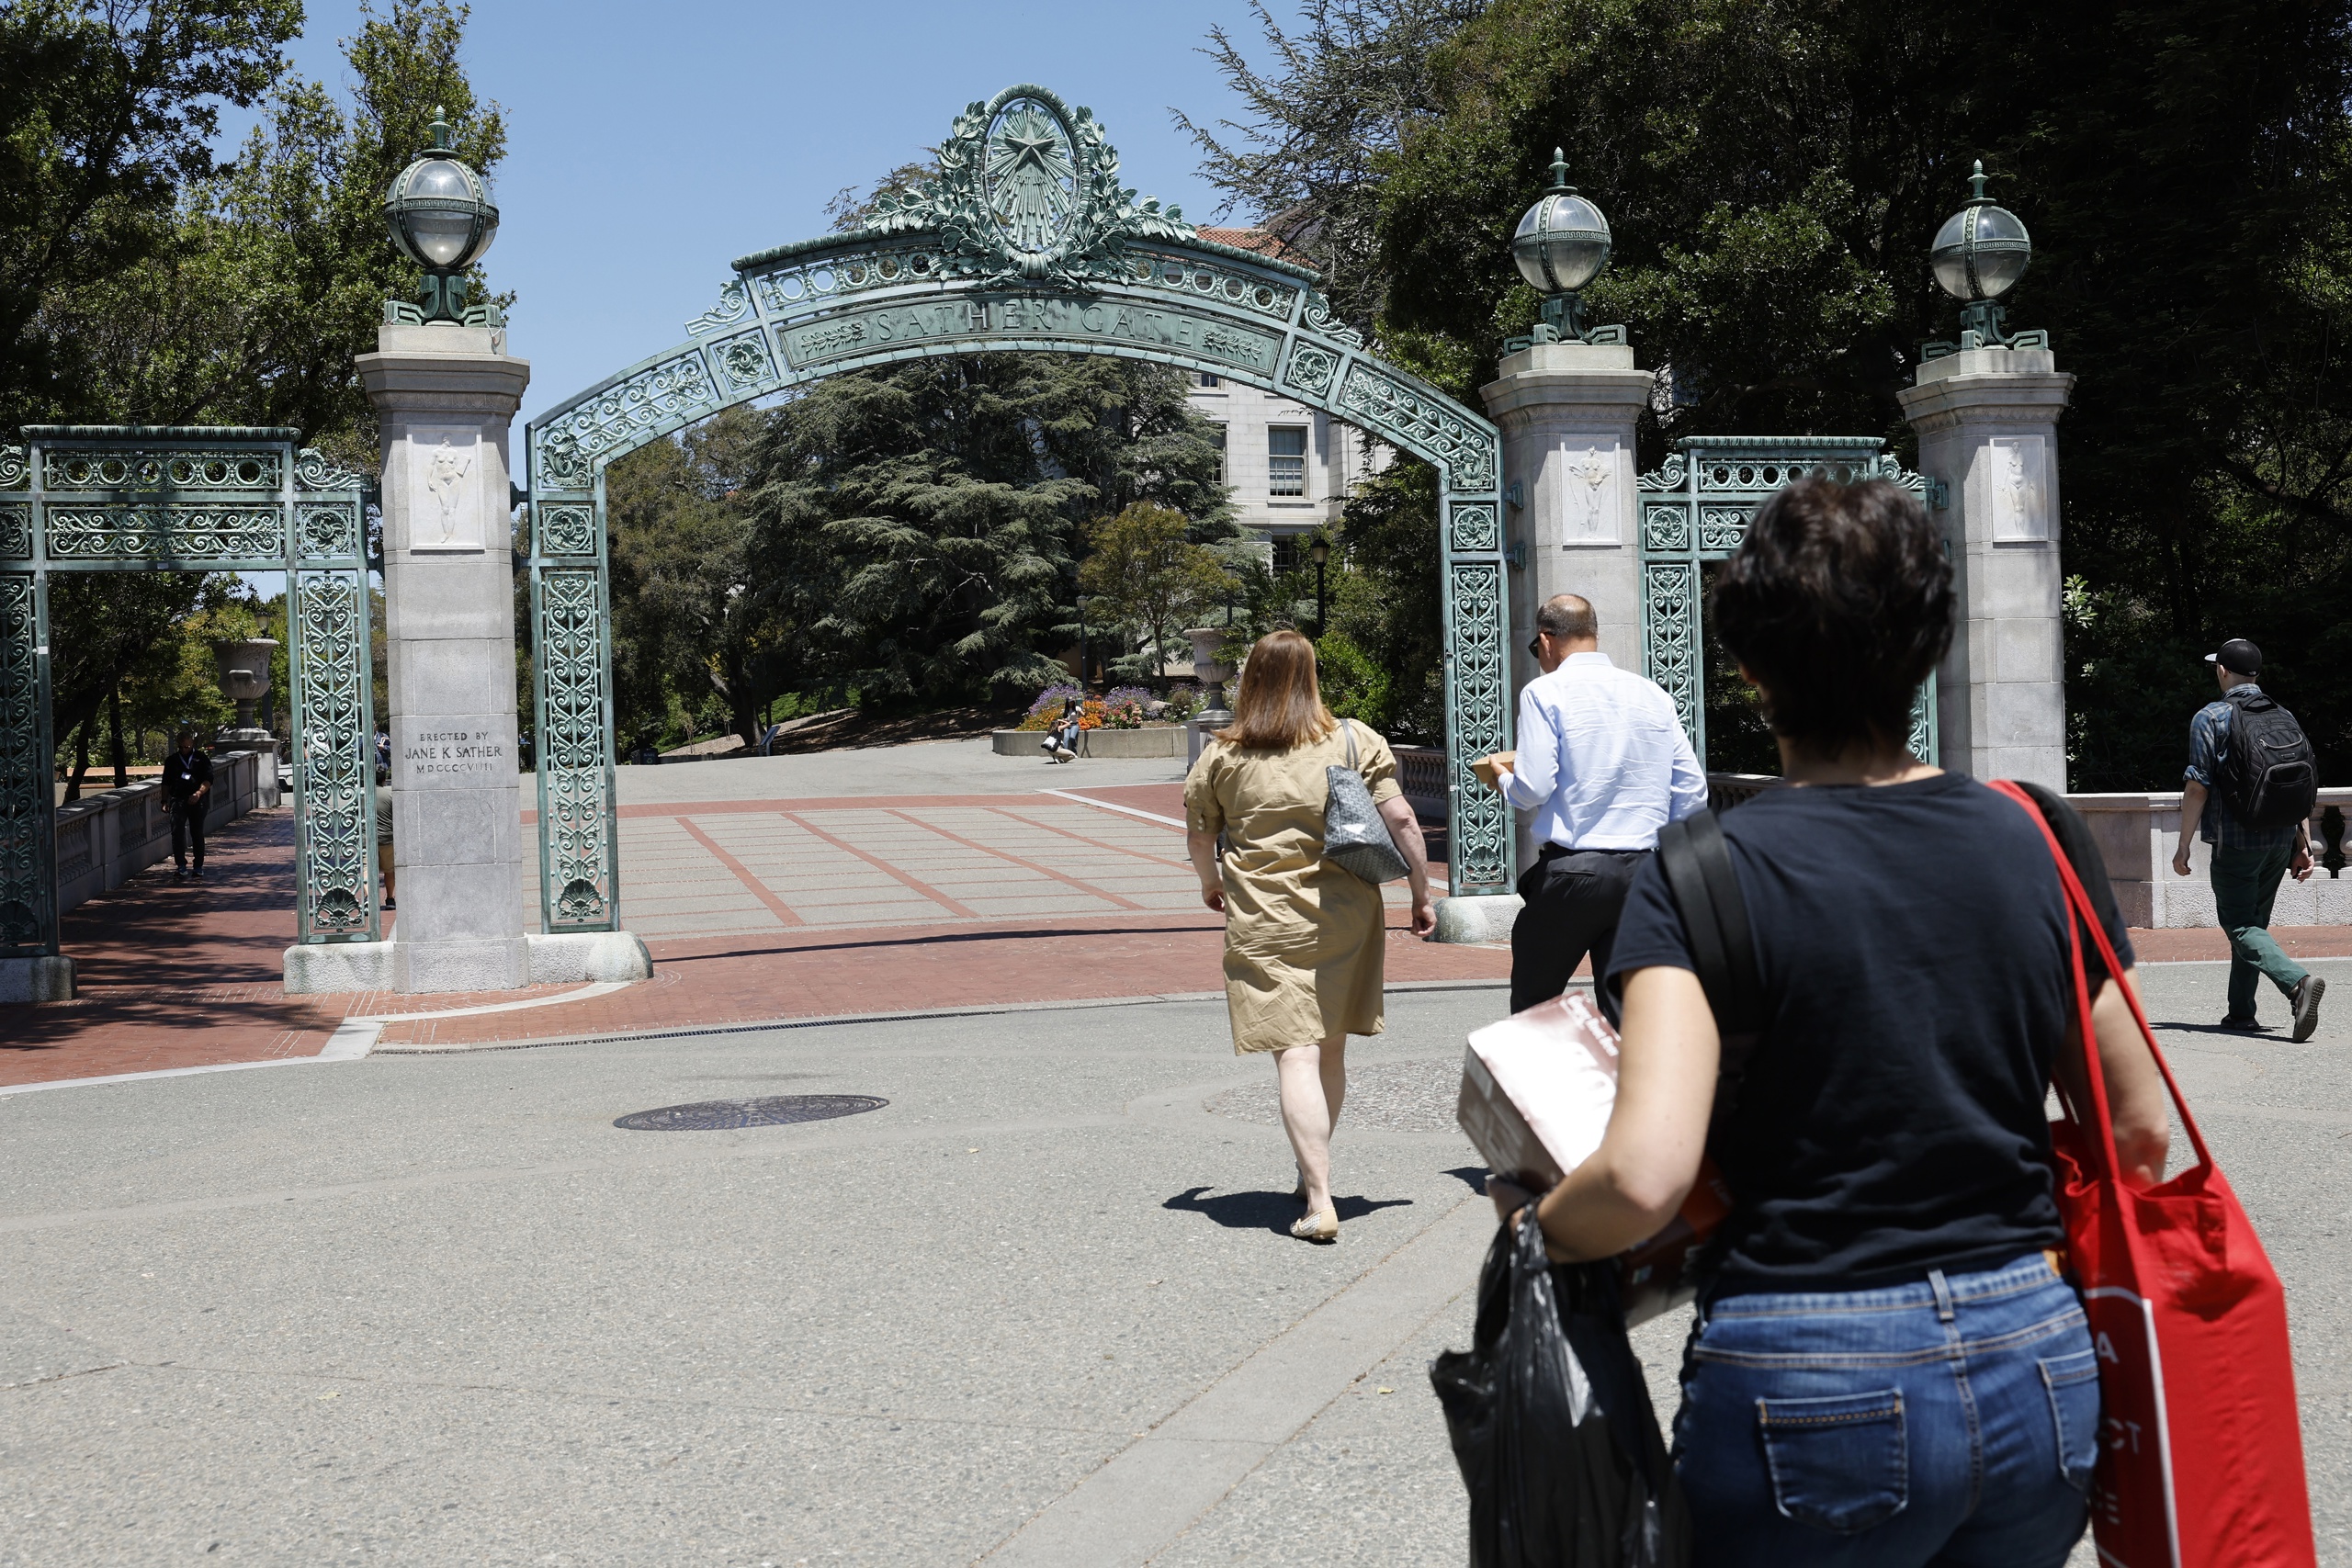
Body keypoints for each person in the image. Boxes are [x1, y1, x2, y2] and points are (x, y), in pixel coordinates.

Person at [1490, 479, 2172, 1566]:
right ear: (1927, 649)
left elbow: (1643, 1176)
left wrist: (1538, 1228)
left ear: (1750, 667)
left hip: (1803, 1366)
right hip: (2034, 1357)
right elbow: (2135, 1131)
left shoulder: (1701, 875)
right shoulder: (2033, 836)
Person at [1183, 629, 1437, 1243]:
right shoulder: (1352, 738)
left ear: (1251, 681)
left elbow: (1197, 833)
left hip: (1266, 918)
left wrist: (1211, 882)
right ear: (1313, 677)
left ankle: (1319, 1198)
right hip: (1345, 914)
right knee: (1327, 1050)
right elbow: (1400, 816)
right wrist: (1423, 892)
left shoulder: (1223, 755)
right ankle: (1310, 1167)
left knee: (1293, 1052)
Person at [1472, 593, 1705, 1018]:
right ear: (1593, 635)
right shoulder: (1652, 694)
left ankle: (1544, 1085)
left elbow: (1535, 787)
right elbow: (1691, 790)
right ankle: (1626, 1085)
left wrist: (1504, 778)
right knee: (1629, 1014)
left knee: (1535, 1007)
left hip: (1573, 871)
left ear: (1545, 641)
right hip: (1644, 871)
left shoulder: (1545, 691)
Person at [2172, 637, 2324, 1040]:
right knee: (2253, 926)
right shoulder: (2282, 713)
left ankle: (2297, 983)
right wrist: (2303, 844)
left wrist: (2184, 844)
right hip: (2278, 840)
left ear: (2222, 670)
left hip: (2236, 842)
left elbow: (2197, 786)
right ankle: (2240, 1014)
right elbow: (2296, 782)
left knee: (2240, 926)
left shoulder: (2212, 717)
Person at [162, 729, 212, 880]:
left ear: (192, 744)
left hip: (198, 800)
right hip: (178, 800)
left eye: (187, 747)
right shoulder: (172, 761)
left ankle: (198, 866)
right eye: (182, 747)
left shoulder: (201, 758)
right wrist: (164, 800)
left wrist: (198, 793)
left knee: (196, 833)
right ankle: (181, 865)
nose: (185, 750)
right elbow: (166, 782)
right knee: (177, 833)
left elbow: (208, 779)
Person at [1039, 694, 1084, 763]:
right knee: (1066, 738)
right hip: (1066, 725)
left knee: (1072, 737)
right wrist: (1064, 720)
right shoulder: (1065, 710)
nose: (1071, 703)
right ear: (1067, 702)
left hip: (1074, 725)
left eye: (1072, 702)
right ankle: (1064, 753)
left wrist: (1082, 712)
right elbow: (1062, 718)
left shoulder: (1077, 708)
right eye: (1069, 702)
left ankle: (1074, 751)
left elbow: (1083, 714)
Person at [375, 767, 397, 911]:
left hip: (367, 839)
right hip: (388, 839)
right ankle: (390, 898)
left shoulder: (363, 794)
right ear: (384, 779)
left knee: (367, 870)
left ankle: (368, 899)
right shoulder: (390, 794)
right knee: (389, 870)